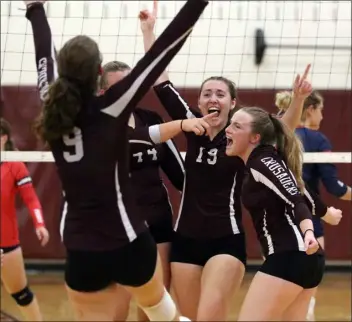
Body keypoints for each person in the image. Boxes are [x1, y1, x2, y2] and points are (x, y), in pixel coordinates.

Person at [25, 0, 208, 320]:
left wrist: (35, 9)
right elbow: (162, 52)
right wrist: (197, 4)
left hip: (81, 248)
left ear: (62, 72)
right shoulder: (112, 106)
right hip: (128, 241)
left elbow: (43, 56)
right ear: (98, 73)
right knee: (160, 309)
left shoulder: (49, 104)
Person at [140, 8, 313, 320]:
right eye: (207, 93)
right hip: (185, 241)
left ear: (233, 103)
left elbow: (282, 127)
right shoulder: (191, 123)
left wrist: (298, 100)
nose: (212, 98)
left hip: (225, 241)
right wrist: (148, 32)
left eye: (220, 94)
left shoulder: (241, 137)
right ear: (200, 101)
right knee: (192, 318)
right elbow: (160, 80)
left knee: (209, 315)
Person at [224, 106, 342, 321]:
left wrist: (308, 231)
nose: (228, 129)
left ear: (255, 137)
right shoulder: (268, 160)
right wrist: (327, 214)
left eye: (236, 126)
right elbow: (302, 191)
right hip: (306, 261)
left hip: (289, 256)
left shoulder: (262, 162)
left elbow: (296, 200)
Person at [275, 90, 351, 321]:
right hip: (308, 217)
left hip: (275, 221)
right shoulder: (317, 139)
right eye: (321, 110)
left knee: (278, 289)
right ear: (310, 109)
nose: (323, 116)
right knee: (306, 291)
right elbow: (335, 187)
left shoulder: (277, 136)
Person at [1, 118, 50, 321]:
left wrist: (39, 224)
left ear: (3, 138)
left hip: (7, 244)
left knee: (22, 295)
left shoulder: (14, 166)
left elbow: (31, 199)